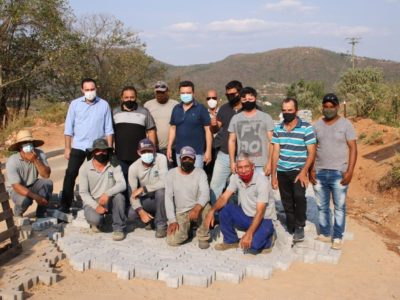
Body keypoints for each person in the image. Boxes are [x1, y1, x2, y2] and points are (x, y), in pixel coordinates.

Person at [310, 93, 357, 250]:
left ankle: (337, 236)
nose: (328, 109)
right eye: (326, 107)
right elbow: (312, 150)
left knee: (339, 207)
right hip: (320, 172)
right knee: (322, 206)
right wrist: (311, 170)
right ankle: (324, 233)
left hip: (339, 173)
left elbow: (353, 148)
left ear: (337, 107)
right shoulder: (316, 126)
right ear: (322, 107)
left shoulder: (346, 125)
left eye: (331, 107)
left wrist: (349, 171)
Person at [60, 78, 114, 213]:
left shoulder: (104, 105)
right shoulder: (75, 104)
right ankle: (65, 205)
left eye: (92, 89)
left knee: (97, 175)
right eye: (87, 90)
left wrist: (110, 149)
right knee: (71, 173)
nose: (90, 92)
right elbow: (68, 128)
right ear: (82, 90)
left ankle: (97, 205)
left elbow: (109, 129)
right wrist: (67, 148)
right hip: (78, 146)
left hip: (97, 148)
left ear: (96, 89)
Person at [205, 153, 277, 254]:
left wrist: (249, 234)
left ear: (252, 167)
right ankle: (231, 241)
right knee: (225, 209)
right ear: (237, 168)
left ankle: (270, 238)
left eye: (246, 167)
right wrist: (212, 211)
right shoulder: (236, 177)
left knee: (253, 247)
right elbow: (224, 197)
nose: (243, 170)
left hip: (264, 219)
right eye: (240, 167)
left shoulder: (262, 182)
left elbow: (260, 212)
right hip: (246, 215)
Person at [271, 97, 316, 242]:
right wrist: (273, 175)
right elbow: (275, 152)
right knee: (286, 200)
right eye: (284, 110)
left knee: (299, 196)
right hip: (282, 170)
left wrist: (304, 172)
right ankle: (291, 223)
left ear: (296, 110)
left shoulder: (306, 128)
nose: (287, 113)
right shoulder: (278, 128)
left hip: (298, 169)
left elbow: (312, 152)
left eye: (290, 110)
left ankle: (300, 226)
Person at [79, 138, 127, 241]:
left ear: (108, 151)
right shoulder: (85, 168)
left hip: (109, 198)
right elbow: (83, 192)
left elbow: (122, 184)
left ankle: (118, 228)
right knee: (96, 219)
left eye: (104, 150)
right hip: (93, 201)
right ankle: (99, 222)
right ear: (93, 152)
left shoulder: (114, 164)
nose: (101, 153)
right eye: (98, 150)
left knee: (119, 197)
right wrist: (96, 206)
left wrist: (107, 193)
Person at [165, 146, 211, 249]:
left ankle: (203, 236)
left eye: (190, 158)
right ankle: (187, 230)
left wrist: (197, 207)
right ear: (180, 159)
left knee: (207, 207)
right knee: (172, 240)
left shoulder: (200, 173)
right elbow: (168, 198)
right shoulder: (171, 174)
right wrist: (172, 220)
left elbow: (205, 193)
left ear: (194, 160)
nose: (187, 161)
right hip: (181, 212)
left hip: (196, 208)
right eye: (184, 158)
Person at [228, 86, 275, 176]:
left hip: (261, 165)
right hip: (242, 165)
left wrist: (269, 163)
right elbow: (231, 141)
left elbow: (271, 142)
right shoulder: (235, 118)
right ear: (240, 100)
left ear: (255, 98)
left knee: (262, 190)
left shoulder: (266, 117)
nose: (247, 101)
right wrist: (232, 162)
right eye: (244, 99)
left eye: (250, 98)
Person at [209, 80, 243, 205]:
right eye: (227, 95)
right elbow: (216, 127)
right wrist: (212, 125)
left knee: (242, 187)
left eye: (233, 94)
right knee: (215, 185)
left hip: (244, 155)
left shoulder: (250, 108)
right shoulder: (224, 109)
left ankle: (241, 214)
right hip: (224, 154)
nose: (230, 97)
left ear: (240, 93)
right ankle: (216, 215)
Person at [113, 86, 156, 179]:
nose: (129, 100)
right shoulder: (115, 112)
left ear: (136, 97)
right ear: (122, 98)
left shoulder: (144, 112)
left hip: (140, 156)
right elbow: (110, 133)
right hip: (120, 156)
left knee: (137, 183)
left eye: (132, 97)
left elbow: (151, 131)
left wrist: (153, 150)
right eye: (126, 97)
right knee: (122, 183)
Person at [6, 130, 52, 218]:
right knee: (26, 199)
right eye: (25, 143)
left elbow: (46, 175)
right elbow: (16, 186)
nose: (28, 145)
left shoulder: (39, 154)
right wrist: (35, 196)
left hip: (33, 183)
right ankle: (18, 213)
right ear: (20, 147)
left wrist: (35, 160)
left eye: (30, 142)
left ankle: (41, 214)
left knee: (48, 184)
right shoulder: (12, 161)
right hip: (16, 189)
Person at [127, 138, 168, 238]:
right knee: (131, 214)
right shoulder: (133, 167)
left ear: (154, 150)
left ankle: (161, 226)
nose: (147, 153)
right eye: (143, 151)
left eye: (149, 151)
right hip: (147, 200)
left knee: (161, 192)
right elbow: (132, 194)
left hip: (163, 199)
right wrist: (140, 211)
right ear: (138, 152)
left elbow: (165, 182)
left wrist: (143, 188)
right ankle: (150, 220)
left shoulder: (161, 158)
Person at [167, 80, 212, 168]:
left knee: (196, 179)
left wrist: (208, 151)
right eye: (183, 93)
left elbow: (208, 130)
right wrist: (169, 147)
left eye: (188, 93)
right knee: (182, 179)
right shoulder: (176, 108)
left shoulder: (201, 108)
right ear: (179, 94)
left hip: (197, 153)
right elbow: (173, 128)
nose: (185, 95)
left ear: (193, 93)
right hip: (179, 153)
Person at [144, 81, 179, 168]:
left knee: (170, 175)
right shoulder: (148, 105)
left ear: (167, 91)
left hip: (171, 149)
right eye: (158, 92)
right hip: (154, 149)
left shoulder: (176, 105)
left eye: (162, 92)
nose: (160, 94)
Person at [204, 88, 220, 182]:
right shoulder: (203, 114)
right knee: (208, 175)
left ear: (217, 99)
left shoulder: (222, 113)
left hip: (220, 149)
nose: (211, 100)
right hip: (207, 149)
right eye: (209, 98)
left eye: (213, 98)